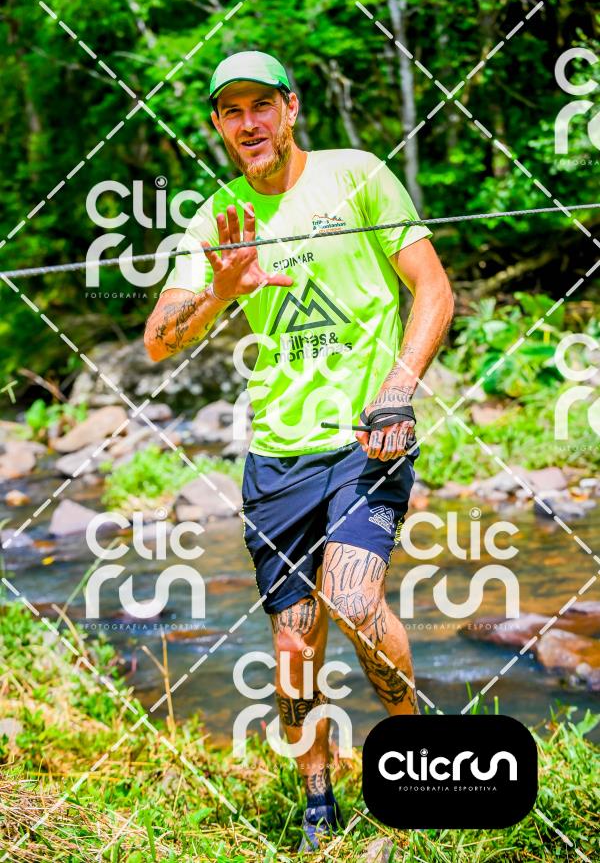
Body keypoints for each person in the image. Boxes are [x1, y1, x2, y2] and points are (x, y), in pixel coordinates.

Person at [144, 50, 454, 852]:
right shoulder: (217, 218)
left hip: (363, 438)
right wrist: (219, 292)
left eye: (261, 105)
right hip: (276, 457)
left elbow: (433, 288)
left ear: (290, 107)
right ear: (219, 125)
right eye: (231, 111)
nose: (248, 123)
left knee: (354, 600)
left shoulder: (358, 176)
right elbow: (157, 340)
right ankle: (320, 800)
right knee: (292, 640)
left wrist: (398, 388)